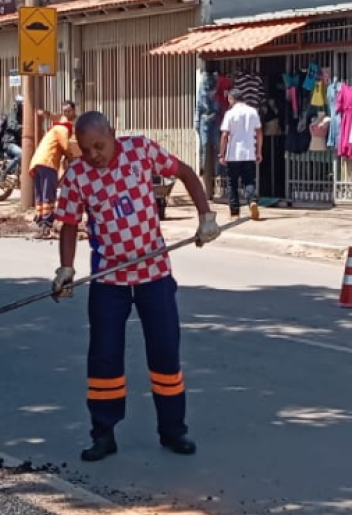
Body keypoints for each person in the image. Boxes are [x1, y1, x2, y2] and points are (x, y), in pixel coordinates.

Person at [52, 112, 221, 463]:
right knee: (104, 356)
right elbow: (68, 223)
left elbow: (185, 173)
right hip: (109, 278)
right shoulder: (77, 175)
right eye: (86, 150)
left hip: (154, 273)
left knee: (165, 351)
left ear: (113, 134)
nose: (94, 155)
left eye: (99, 146)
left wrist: (206, 216)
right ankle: (103, 434)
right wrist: (66, 268)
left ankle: (173, 430)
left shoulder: (141, 150)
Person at [29, 116, 80, 238]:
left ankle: (40, 219)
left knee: (41, 193)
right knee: (48, 192)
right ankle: (47, 222)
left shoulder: (52, 131)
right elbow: (66, 147)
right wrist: (73, 157)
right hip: (48, 162)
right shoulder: (62, 129)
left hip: (37, 163)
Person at [219, 87, 262, 220]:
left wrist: (221, 154)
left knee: (232, 183)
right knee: (249, 180)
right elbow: (259, 133)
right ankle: (252, 201)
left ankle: (235, 212)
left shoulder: (230, 113)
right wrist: (258, 152)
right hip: (249, 153)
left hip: (233, 154)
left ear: (231, 99)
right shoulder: (253, 111)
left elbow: (225, 135)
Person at [2, 95, 24, 174]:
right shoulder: (13, 114)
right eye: (22, 105)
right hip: (10, 143)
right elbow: (12, 125)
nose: (23, 107)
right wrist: (23, 127)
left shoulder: (23, 116)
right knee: (22, 154)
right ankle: (4, 172)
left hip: (18, 143)